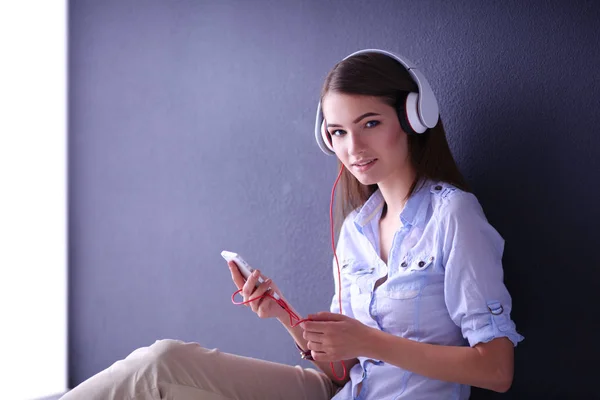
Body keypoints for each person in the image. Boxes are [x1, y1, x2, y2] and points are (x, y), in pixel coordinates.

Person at [61, 48, 524, 400]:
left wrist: (369, 341)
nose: (353, 147)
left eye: (370, 123)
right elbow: (337, 372)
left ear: (412, 117)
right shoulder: (355, 232)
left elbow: (496, 370)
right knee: (161, 364)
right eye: (338, 132)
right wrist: (284, 315)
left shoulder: (453, 215)